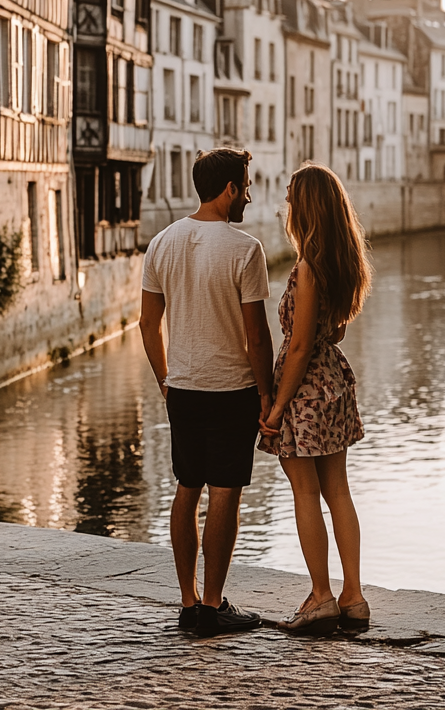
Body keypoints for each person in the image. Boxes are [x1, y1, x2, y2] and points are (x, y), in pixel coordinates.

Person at [139, 148, 275, 638]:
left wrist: (164, 379)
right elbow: (257, 336)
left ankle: (187, 601)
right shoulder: (245, 249)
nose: (250, 194)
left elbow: (148, 324)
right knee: (225, 493)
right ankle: (214, 606)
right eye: (247, 185)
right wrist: (267, 395)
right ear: (230, 190)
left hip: (183, 387)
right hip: (231, 386)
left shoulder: (161, 243)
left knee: (186, 486)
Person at [258, 163, 373, 636]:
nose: (286, 206)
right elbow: (335, 331)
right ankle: (354, 595)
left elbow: (301, 346)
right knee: (339, 492)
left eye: (290, 199)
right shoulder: (344, 263)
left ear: (304, 207)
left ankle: (321, 596)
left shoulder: (307, 267)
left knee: (305, 492)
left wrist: (278, 407)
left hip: (304, 388)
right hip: (335, 383)